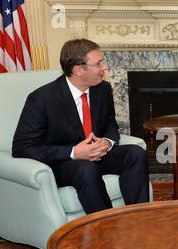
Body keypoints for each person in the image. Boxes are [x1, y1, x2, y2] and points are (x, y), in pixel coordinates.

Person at [12, 39, 149, 214]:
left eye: (103, 61)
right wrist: (74, 152)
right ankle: (105, 228)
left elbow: (110, 124)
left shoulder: (102, 89)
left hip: (97, 156)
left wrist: (107, 142)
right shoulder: (42, 99)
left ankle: (140, 218)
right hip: (63, 163)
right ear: (78, 69)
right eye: (98, 64)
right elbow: (22, 148)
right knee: (85, 168)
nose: (105, 68)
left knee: (135, 153)